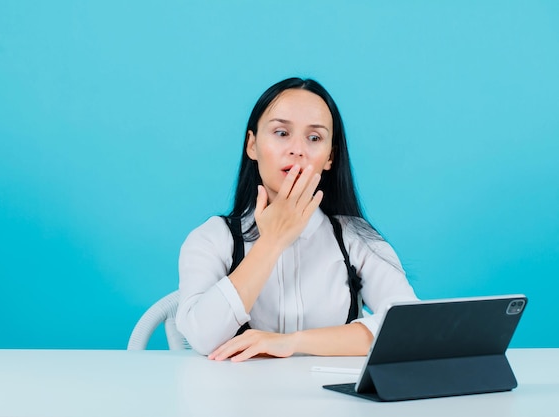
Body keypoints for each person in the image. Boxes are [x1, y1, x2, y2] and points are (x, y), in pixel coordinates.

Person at [175, 77, 417, 362]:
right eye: (281, 133)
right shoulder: (213, 238)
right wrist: (272, 241)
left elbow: (407, 326)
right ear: (252, 145)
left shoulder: (354, 237)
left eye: (314, 138)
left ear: (330, 157)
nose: (297, 149)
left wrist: (291, 342)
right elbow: (203, 336)